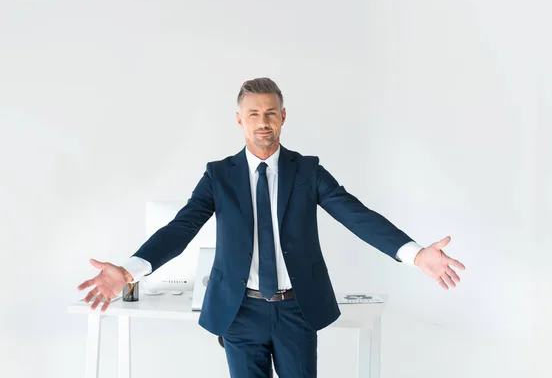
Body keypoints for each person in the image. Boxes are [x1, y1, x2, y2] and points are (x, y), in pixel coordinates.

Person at [77, 77, 466, 377]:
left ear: (283, 116)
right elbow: (181, 228)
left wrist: (416, 255)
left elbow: (356, 215)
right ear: (239, 119)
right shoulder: (219, 176)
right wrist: (129, 270)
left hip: (296, 308)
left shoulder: (308, 171)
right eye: (253, 114)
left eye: (270, 112)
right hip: (239, 310)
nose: (262, 122)